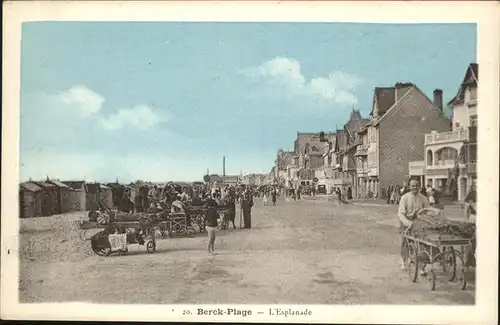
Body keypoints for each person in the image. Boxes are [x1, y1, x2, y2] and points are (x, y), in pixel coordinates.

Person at [397, 179, 430, 271]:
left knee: (421, 243)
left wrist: (426, 219)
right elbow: (400, 213)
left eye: (417, 185)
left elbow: (428, 211)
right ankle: (403, 260)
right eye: (413, 185)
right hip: (406, 222)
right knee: (405, 242)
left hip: (419, 223)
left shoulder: (423, 198)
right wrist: (408, 223)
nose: (415, 187)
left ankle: (421, 265)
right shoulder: (404, 198)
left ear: (419, 186)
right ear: (409, 187)